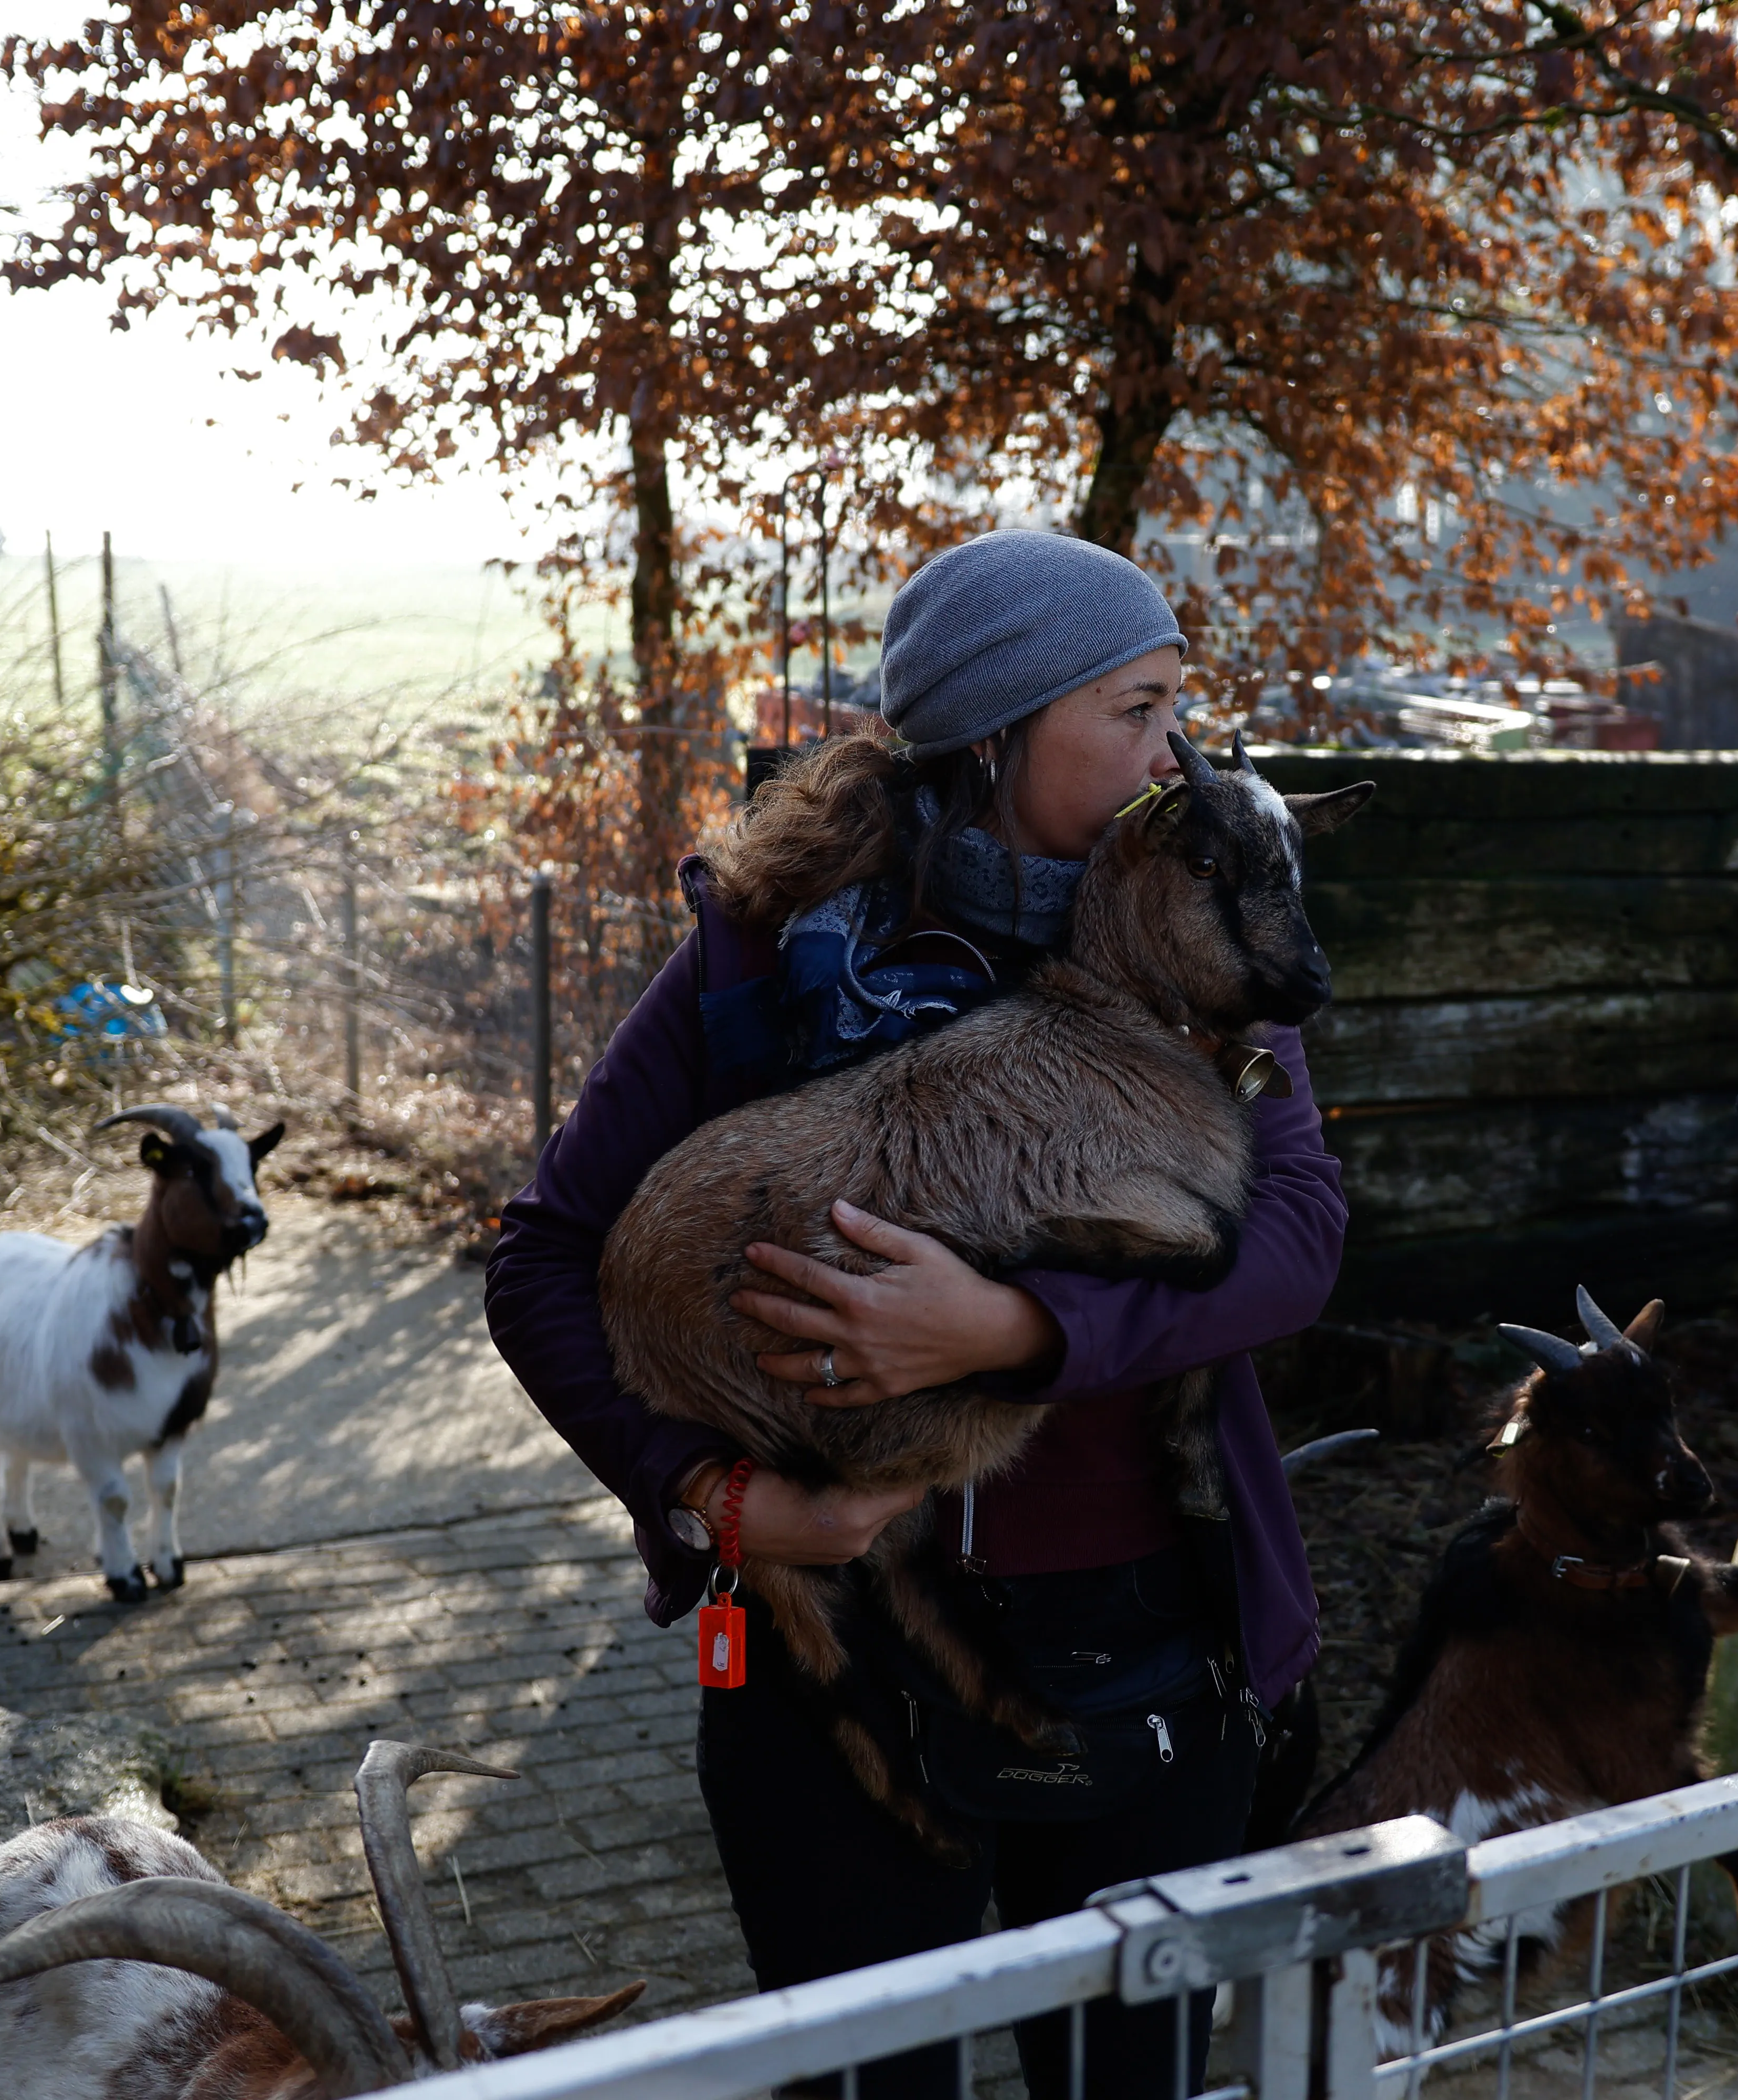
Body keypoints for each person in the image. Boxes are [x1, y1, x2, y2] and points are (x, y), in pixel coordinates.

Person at [483, 531, 1344, 2099]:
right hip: (843, 1679)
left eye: (1176, 709)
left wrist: (1013, 1333)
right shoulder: (766, 945)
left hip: (1143, 1659)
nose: (1178, 756)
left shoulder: (1185, 937)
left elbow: (1294, 1244)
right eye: (1137, 712)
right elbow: (542, 1259)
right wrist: (711, 1492)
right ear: (1001, 730)